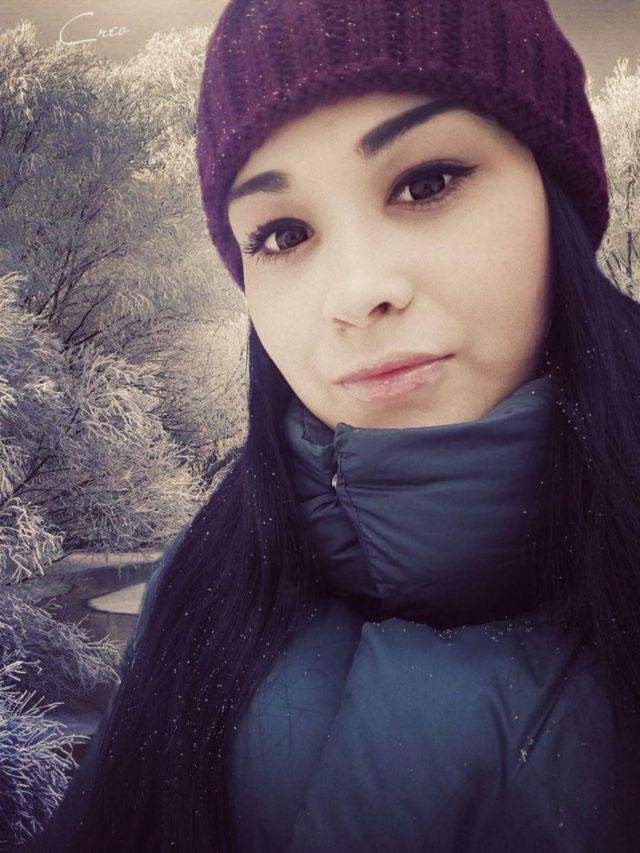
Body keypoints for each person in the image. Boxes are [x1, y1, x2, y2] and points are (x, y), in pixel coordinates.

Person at [32, 0, 640, 850]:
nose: (357, 292)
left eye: (427, 182)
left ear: (555, 194)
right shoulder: (201, 584)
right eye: (283, 234)